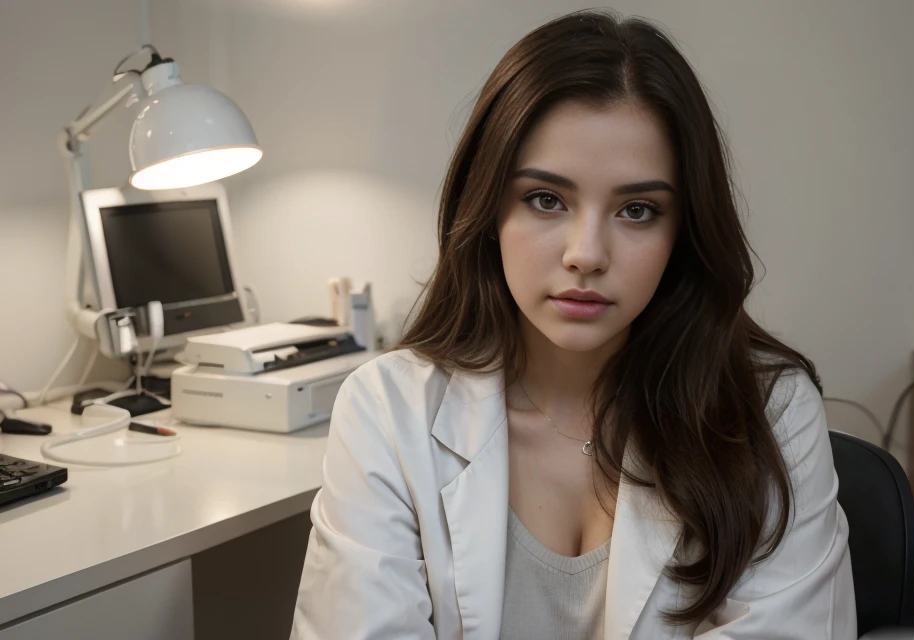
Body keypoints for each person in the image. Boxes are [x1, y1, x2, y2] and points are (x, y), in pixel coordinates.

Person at [291, 9, 855, 640]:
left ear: (683, 233)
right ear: (488, 210)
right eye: (546, 199)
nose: (586, 253)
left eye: (637, 210)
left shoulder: (770, 412)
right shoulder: (388, 411)